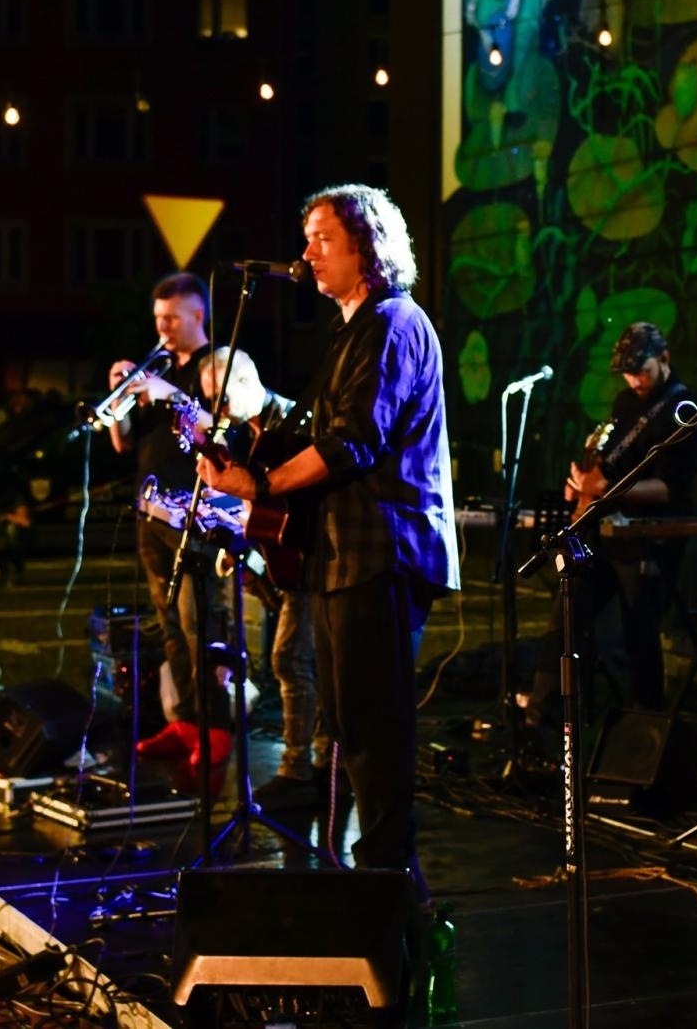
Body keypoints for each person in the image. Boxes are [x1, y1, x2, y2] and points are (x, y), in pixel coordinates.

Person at [198, 184, 459, 880]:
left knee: (375, 732)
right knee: (346, 728)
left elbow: (353, 442)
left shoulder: (394, 323)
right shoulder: (355, 330)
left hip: (384, 552)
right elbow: (317, 432)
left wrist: (261, 486)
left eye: (322, 239)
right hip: (346, 557)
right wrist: (237, 454)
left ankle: (388, 887)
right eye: (307, 237)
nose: (306, 253)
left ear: (366, 248)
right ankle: (366, 880)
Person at [522, 321, 697, 731]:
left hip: (651, 540)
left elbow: (669, 487)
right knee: (568, 615)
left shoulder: (685, 409)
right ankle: (548, 719)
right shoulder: (626, 403)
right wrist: (582, 484)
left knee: (640, 634)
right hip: (603, 534)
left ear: (664, 359)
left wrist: (605, 489)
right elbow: (610, 463)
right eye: (626, 371)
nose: (633, 379)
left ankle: (645, 731)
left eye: (640, 369)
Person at [106, 272, 231, 783]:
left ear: (197, 316)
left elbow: (219, 427)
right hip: (151, 513)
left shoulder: (216, 365)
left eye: (171, 319)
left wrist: (164, 394)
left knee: (201, 624)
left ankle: (216, 729)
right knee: (170, 628)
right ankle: (184, 723)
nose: (162, 329)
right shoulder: (160, 367)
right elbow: (122, 444)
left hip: (195, 514)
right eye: (157, 319)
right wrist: (119, 399)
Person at [199, 346, 330, 813]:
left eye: (226, 399)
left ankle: (305, 769)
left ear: (249, 380)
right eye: (214, 402)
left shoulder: (293, 424)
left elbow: (304, 494)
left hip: (315, 559)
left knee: (291, 659)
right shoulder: (247, 434)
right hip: (284, 559)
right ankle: (313, 764)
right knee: (294, 662)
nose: (223, 412)